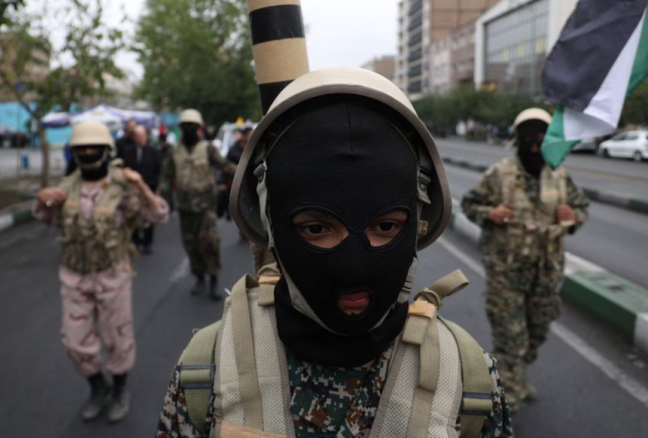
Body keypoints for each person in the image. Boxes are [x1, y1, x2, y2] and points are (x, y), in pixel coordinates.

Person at [157, 69, 512, 438]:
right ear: (272, 227)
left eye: (386, 227)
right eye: (316, 229)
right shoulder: (209, 373)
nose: (353, 268)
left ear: (418, 220)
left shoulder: (467, 381)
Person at [34, 121, 169, 423]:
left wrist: (141, 186)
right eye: (82, 149)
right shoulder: (67, 186)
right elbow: (46, 217)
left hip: (112, 274)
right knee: (74, 341)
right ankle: (98, 386)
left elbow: (159, 214)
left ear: (107, 151)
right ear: (75, 153)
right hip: (75, 276)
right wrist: (43, 200)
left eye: (94, 148)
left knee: (118, 339)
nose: (88, 153)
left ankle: (120, 389)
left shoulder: (122, 184)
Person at [461, 108, 589, 412]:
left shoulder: (560, 175)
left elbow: (581, 208)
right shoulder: (499, 173)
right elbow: (469, 204)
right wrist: (489, 214)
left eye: (540, 139)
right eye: (528, 138)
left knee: (537, 330)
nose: (533, 146)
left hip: (545, 273)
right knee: (510, 339)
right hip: (506, 272)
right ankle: (508, 399)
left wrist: (572, 218)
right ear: (517, 139)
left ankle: (515, 374)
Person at [159, 109, 236, 299]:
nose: (189, 130)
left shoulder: (208, 148)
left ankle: (213, 280)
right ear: (181, 128)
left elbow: (224, 166)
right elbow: (166, 177)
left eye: (192, 127)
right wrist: (161, 199)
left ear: (199, 128)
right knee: (191, 244)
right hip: (185, 206)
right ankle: (199, 277)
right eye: (186, 127)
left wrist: (246, 173)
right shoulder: (174, 150)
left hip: (206, 206)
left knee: (210, 242)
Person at [120, 125, 163, 254]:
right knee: (133, 214)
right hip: (132, 190)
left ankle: (147, 242)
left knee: (149, 216)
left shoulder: (153, 151)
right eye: (137, 136)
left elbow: (159, 170)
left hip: (149, 188)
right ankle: (135, 240)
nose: (140, 138)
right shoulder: (127, 151)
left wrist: (157, 188)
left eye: (142, 135)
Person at [217, 125, 252, 221]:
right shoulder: (233, 151)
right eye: (249, 135)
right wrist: (222, 183)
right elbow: (225, 167)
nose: (251, 137)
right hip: (237, 186)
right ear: (243, 136)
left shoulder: (254, 149)